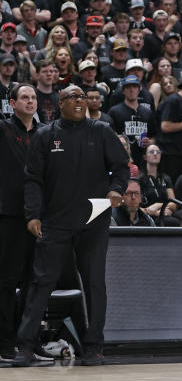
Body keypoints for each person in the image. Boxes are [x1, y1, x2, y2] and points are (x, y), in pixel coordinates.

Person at [13, 85, 129, 366]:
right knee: (41, 282)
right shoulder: (45, 135)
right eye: (72, 97)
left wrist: (116, 188)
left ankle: (94, 347)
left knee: (94, 283)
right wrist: (32, 215)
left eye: (82, 97)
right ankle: (25, 346)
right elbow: (33, 180)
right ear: (59, 103)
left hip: (93, 221)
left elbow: (122, 166)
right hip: (56, 221)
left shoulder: (101, 131)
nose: (80, 101)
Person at [0, 84, 40, 361]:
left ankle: (29, 342)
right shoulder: (3, 130)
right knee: (5, 281)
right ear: (12, 103)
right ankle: (4, 343)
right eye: (24, 97)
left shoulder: (46, 134)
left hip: (38, 216)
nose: (30, 101)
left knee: (35, 282)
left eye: (34, 97)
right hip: (9, 215)